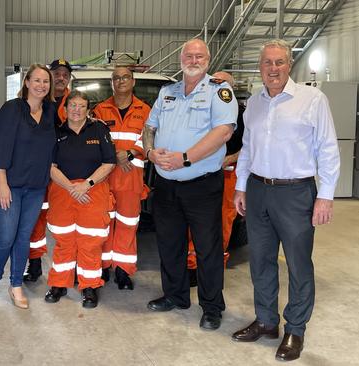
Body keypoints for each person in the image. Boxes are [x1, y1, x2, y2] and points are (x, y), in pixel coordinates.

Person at [231, 39, 340, 362]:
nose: (273, 69)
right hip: (259, 189)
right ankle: (266, 321)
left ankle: (295, 328)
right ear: (260, 67)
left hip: (296, 193)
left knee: (298, 265)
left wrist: (326, 196)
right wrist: (241, 187)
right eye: (267, 63)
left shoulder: (312, 99)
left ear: (289, 65)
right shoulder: (254, 103)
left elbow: (328, 149)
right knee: (261, 261)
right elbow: (247, 149)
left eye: (279, 62)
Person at [143, 39, 237, 331]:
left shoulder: (219, 92)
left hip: (201, 185)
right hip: (166, 184)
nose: (193, 60)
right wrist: (149, 151)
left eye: (199, 56)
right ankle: (175, 296)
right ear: (181, 58)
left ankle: (211, 307)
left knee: (208, 249)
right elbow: (149, 127)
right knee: (170, 245)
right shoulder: (167, 92)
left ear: (207, 59)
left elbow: (223, 132)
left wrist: (185, 158)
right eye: (189, 55)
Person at [0, 64, 56, 309]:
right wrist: (2, 183)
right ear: (27, 82)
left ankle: (15, 285)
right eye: (37, 80)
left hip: (34, 186)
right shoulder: (13, 109)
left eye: (46, 81)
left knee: (23, 237)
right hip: (6, 183)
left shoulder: (50, 111)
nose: (41, 85)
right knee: (5, 236)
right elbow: (0, 146)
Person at [44, 90, 116, 308]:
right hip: (63, 192)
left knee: (90, 242)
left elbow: (109, 162)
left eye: (81, 106)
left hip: (93, 191)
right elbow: (49, 165)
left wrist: (86, 185)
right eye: (72, 105)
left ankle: (90, 287)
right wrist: (70, 187)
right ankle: (59, 284)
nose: (76, 110)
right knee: (64, 241)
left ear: (88, 109)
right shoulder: (55, 132)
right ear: (65, 109)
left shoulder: (99, 129)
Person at [92, 65, 151, 290]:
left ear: (133, 81)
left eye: (125, 77)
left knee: (128, 224)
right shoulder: (100, 110)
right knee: (104, 224)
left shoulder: (145, 110)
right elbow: (94, 141)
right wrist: (114, 155)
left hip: (131, 178)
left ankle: (124, 271)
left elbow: (150, 140)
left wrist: (129, 153)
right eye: (116, 78)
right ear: (112, 83)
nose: (121, 81)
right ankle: (104, 266)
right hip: (104, 179)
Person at [186, 71, 245, 286]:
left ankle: (212, 270)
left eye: (223, 85)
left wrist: (228, 157)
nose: (217, 89)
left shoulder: (243, 114)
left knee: (221, 224)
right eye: (214, 83)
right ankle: (192, 266)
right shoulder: (201, 109)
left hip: (228, 174)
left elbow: (251, 146)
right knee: (194, 222)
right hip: (200, 173)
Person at [24, 58, 72, 282]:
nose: (60, 77)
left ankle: (69, 267)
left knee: (67, 222)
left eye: (65, 74)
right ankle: (34, 264)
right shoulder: (42, 103)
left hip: (68, 172)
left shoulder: (76, 101)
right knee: (36, 217)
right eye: (57, 73)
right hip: (42, 170)